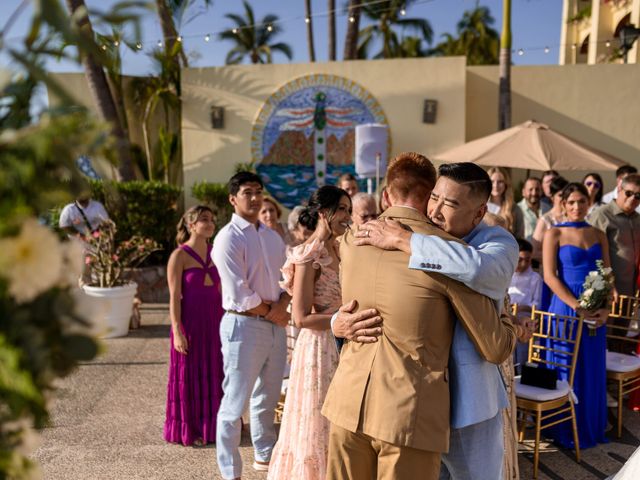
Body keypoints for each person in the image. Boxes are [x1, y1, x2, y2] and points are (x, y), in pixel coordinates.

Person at [322, 153, 516, 480]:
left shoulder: (357, 239)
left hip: (462, 406)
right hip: (411, 408)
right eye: (434, 199)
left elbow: (474, 267)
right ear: (427, 194)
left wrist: (405, 238)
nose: (436, 211)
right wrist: (337, 324)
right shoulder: (406, 242)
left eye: (449, 204)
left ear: (480, 211)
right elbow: (497, 344)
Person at [268, 186, 351, 480]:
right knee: (317, 424)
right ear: (322, 213)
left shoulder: (344, 250)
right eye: (341, 209)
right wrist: (339, 319)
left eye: (349, 210)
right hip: (320, 348)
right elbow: (301, 316)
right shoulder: (308, 256)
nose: (347, 216)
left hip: (347, 345)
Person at [212, 172, 291, 480]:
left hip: (274, 323)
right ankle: (230, 471)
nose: (255, 198)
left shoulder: (272, 236)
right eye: (248, 192)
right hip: (243, 326)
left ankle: (264, 455)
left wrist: (282, 307)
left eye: (259, 191)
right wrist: (274, 311)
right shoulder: (228, 237)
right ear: (233, 199)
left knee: (267, 399)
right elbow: (238, 292)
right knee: (234, 404)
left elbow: (288, 279)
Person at [543, 182, 612, 450]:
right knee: (565, 366)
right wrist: (577, 306)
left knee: (592, 366)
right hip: (565, 308)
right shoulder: (554, 233)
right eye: (570, 202)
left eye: (581, 201)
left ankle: (589, 425)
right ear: (562, 204)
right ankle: (560, 428)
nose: (576, 207)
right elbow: (549, 276)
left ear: (589, 202)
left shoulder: (599, 233)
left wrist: (604, 307)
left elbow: (606, 273)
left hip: (595, 309)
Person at [164, 205, 224, 446]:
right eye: (204, 220)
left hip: (215, 324)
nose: (210, 224)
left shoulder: (216, 251)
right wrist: (177, 330)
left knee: (216, 373)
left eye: (212, 219)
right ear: (191, 225)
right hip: (189, 325)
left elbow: (222, 291)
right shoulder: (179, 255)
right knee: (190, 376)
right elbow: (174, 297)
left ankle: (217, 427)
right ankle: (195, 430)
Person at [589, 173, 640, 299]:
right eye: (629, 193)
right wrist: (606, 285)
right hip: (607, 291)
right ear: (619, 190)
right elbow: (592, 254)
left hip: (631, 292)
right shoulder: (602, 215)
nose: (633, 198)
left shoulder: (638, 219)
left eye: (638, 196)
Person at [508, 239, 543, 372]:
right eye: (519, 259)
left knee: (523, 328)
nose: (523, 264)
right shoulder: (506, 274)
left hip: (526, 315)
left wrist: (522, 308)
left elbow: (537, 303)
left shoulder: (535, 278)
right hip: (507, 313)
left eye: (527, 260)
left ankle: (521, 370)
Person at [531, 176, 568, 261]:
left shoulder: (572, 218)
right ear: (552, 197)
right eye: (560, 195)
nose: (564, 199)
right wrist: (556, 256)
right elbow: (534, 251)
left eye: (566, 195)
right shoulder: (545, 220)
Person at [487, 167, 523, 238]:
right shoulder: (480, 206)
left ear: (506, 184)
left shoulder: (515, 209)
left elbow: (520, 237)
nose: (495, 185)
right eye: (492, 182)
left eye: (500, 182)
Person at [516, 177, 543, 242]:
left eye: (537, 189)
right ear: (523, 192)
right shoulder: (517, 210)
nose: (534, 193)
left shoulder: (548, 209)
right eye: (530, 189)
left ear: (541, 191)